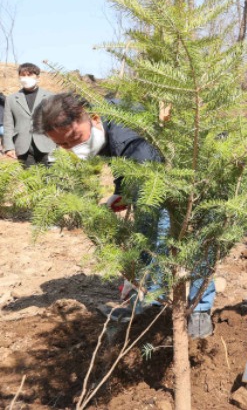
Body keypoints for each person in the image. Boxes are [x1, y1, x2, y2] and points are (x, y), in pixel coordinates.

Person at [33, 93, 216, 337]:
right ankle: (150, 305)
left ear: (90, 116)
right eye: (63, 145)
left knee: (187, 241)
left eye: (75, 138)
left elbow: (149, 192)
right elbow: (122, 164)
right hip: (150, 177)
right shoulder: (105, 123)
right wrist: (120, 193)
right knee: (150, 241)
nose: (72, 148)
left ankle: (198, 309)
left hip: (198, 178)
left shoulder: (129, 135)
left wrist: (136, 270)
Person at [3, 63, 56, 166]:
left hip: (47, 145)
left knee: (50, 179)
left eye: (30, 75)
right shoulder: (11, 99)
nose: (26, 78)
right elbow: (8, 125)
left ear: (37, 77)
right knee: (29, 180)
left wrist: (60, 145)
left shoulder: (50, 97)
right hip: (23, 147)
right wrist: (9, 147)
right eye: (23, 75)